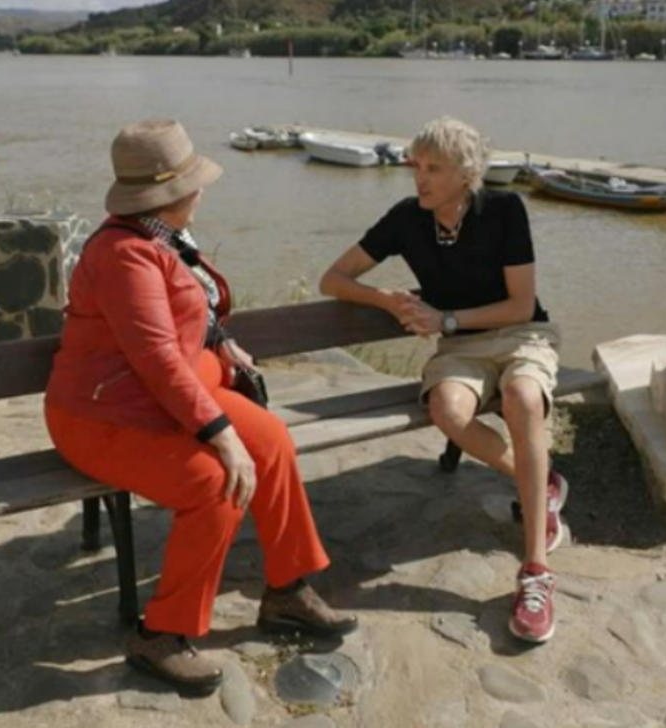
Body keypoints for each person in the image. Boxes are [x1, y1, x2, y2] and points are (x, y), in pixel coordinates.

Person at [45, 119, 357, 693]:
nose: (202, 190)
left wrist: (219, 340)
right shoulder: (123, 255)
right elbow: (156, 355)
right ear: (165, 194)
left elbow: (187, 316)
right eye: (193, 182)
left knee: (273, 441)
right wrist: (220, 433)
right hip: (104, 415)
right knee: (216, 484)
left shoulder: (164, 238)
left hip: (167, 393)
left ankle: (286, 590)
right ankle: (159, 635)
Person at [319, 117, 566, 644]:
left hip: (522, 336)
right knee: (448, 412)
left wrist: (445, 319)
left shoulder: (503, 210)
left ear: (466, 172)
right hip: (460, 351)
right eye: (417, 166)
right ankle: (538, 483)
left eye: (434, 168)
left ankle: (535, 570)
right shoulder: (408, 219)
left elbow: (520, 304)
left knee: (523, 396)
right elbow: (333, 279)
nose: (420, 178)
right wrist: (386, 299)